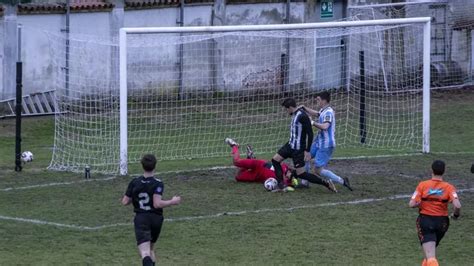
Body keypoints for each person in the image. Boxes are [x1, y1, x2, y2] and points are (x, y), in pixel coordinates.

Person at [122, 154, 181, 266]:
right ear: (155, 166)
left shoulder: (135, 182)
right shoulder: (158, 183)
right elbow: (157, 203)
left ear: (142, 166)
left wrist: (134, 195)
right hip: (156, 219)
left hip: (142, 219)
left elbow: (125, 202)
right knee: (151, 250)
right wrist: (172, 201)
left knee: (145, 253)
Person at [271, 97, 337, 192]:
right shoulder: (295, 114)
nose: (286, 111)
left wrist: (307, 150)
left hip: (298, 149)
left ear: (290, 107)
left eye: (286, 109)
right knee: (275, 160)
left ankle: (326, 183)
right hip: (290, 145)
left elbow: (310, 134)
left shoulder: (302, 116)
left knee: (302, 174)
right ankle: (281, 185)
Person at [409, 160, 462, 266]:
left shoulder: (422, 185)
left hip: (426, 221)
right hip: (442, 223)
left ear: (431, 170)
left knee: (431, 257)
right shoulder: (449, 187)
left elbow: (411, 204)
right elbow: (457, 205)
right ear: (444, 171)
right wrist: (455, 215)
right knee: (428, 255)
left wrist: (419, 204)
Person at [300, 91, 352, 191]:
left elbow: (325, 126)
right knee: (306, 156)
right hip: (319, 141)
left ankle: (342, 181)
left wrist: (312, 122)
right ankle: (304, 182)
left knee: (318, 170)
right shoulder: (323, 110)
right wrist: (304, 108)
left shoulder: (328, 112)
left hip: (326, 144)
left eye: (318, 100)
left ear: (324, 100)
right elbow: (316, 113)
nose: (317, 102)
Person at [225, 138, 294, 188]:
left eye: (290, 176)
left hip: (257, 176)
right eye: (290, 173)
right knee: (236, 162)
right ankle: (235, 146)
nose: (289, 175)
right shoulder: (284, 168)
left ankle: (249, 158)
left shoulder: (286, 182)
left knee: (238, 177)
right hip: (259, 164)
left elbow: (286, 186)